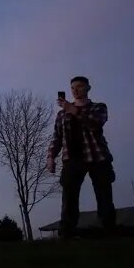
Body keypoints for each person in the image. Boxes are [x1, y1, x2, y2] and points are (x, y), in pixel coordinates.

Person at [46, 75, 116, 238]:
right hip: (72, 159)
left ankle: (109, 232)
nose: (75, 90)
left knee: (104, 196)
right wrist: (50, 157)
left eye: (79, 87)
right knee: (69, 197)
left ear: (88, 88)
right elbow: (56, 137)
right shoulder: (62, 115)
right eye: (72, 88)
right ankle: (67, 233)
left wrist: (74, 110)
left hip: (97, 157)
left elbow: (94, 124)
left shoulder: (98, 107)